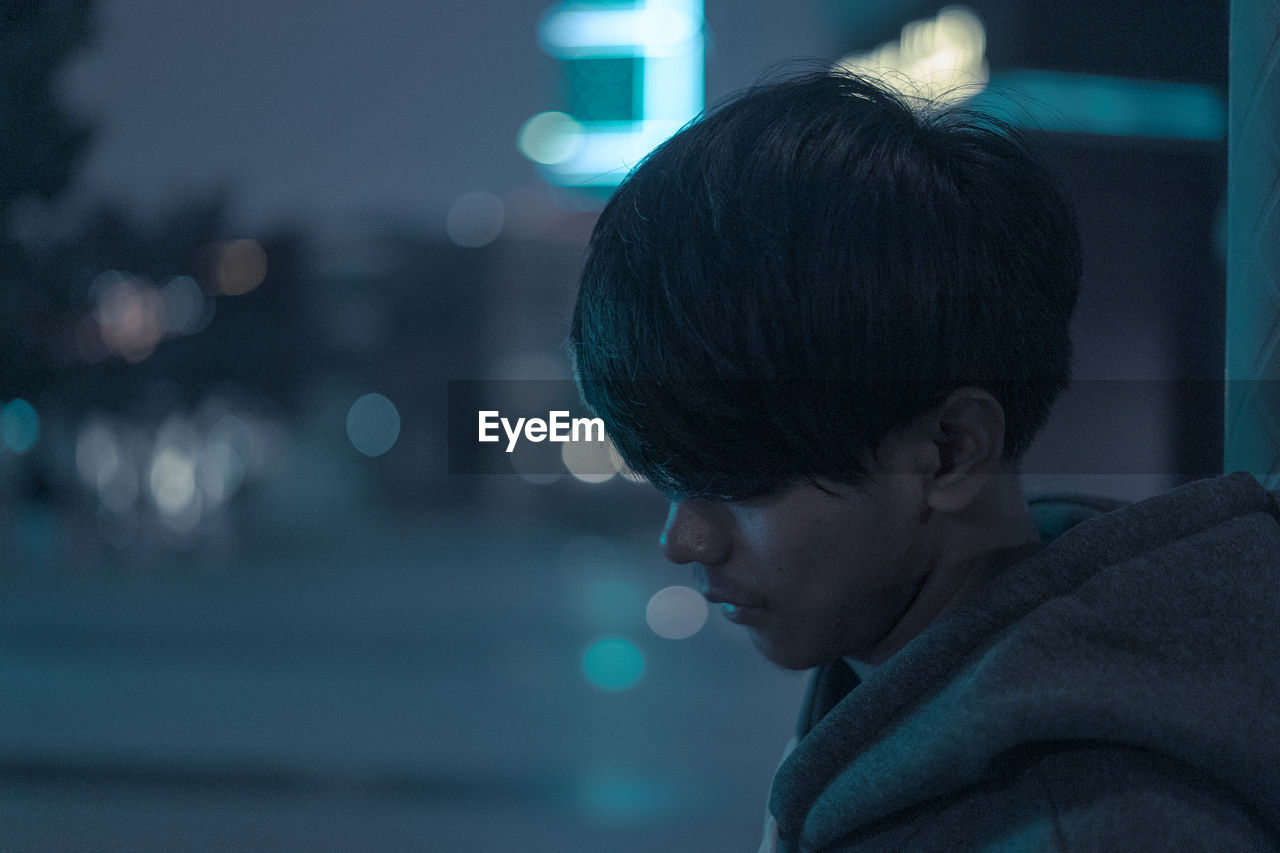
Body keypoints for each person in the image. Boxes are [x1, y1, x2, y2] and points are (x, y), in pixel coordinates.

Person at [569, 70, 1280, 851]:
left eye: (741, 482)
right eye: (670, 477)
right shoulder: (909, 683)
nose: (685, 540)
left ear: (947, 453)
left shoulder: (1079, 819)